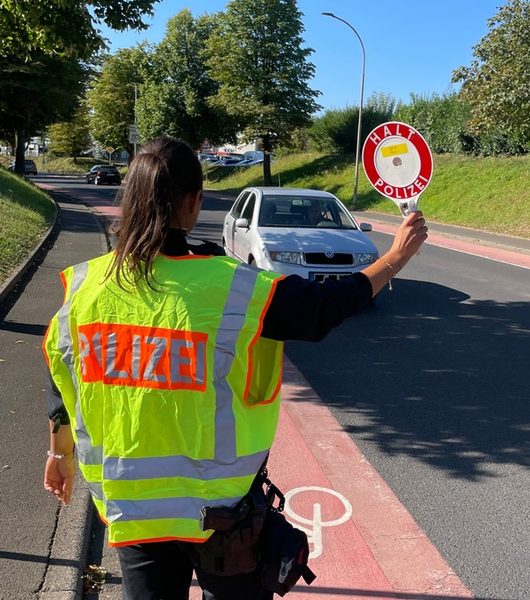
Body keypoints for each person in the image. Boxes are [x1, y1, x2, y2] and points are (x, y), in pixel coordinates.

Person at [41, 136, 427, 600]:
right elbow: (321, 310)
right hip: (222, 514)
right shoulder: (236, 289)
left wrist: (58, 456)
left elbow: (63, 381)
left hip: (135, 514)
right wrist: (394, 258)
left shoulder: (84, 288)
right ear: (194, 201)